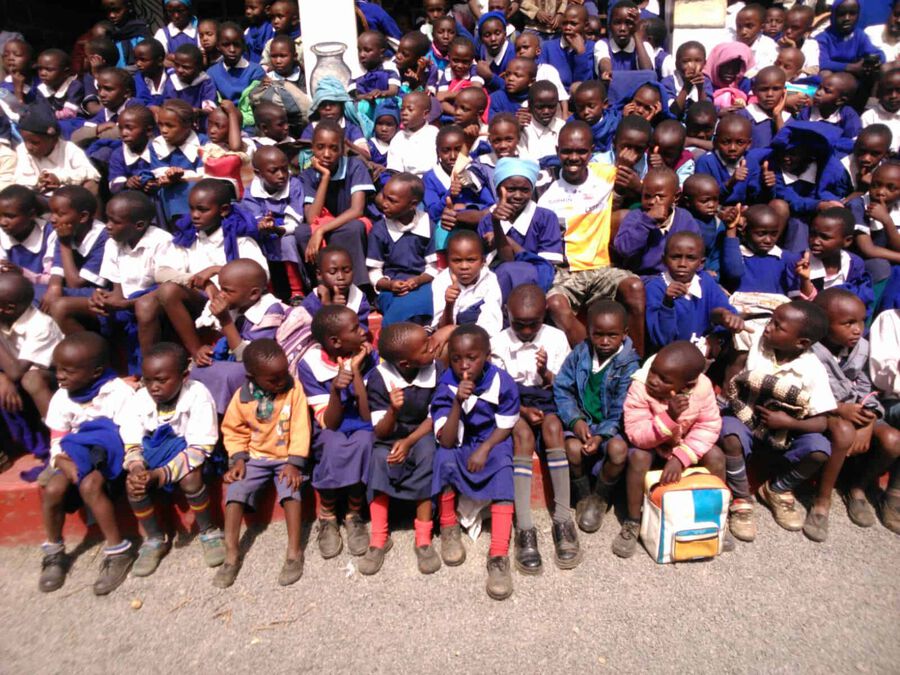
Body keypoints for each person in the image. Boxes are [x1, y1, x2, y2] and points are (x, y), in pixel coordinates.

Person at [719, 300, 838, 542]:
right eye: (771, 320)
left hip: (785, 432)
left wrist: (789, 423)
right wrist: (725, 316)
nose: (768, 327)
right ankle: (741, 497)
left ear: (801, 343)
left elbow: (822, 422)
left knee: (819, 449)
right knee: (729, 431)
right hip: (746, 418)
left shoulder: (813, 369)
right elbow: (722, 321)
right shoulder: (756, 340)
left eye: (778, 326)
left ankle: (777, 489)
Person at [491, 284, 580, 574]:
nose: (527, 331)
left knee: (553, 427)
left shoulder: (555, 338)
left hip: (547, 397)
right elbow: (498, 389)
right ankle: (525, 526)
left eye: (534, 323)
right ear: (508, 314)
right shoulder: (498, 342)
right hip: (512, 401)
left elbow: (564, 384)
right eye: (519, 324)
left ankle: (563, 519)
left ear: (545, 315)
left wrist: (545, 373)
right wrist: (521, 410)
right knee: (522, 434)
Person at [38, 332, 136, 595]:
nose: (60, 376)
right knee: (53, 489)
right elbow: (58, 439)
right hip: (74, 452)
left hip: (110, 454)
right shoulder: (62, 397)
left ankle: (118, 552)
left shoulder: (117, 393)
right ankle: (54, 551)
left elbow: (129, 434)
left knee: (90, 485)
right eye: (57, 369)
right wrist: (60, 461)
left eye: (68, 371)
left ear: (96, 372)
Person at [537, 121, 645, 351]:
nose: (573, 158)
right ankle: (593, 359)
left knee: (635, 287)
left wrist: (638, 185)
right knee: (555, 304)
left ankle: (635, 361)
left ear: (592, 151)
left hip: (602, 268)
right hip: (566, 272)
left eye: (581, 151)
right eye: (566, 151)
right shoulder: (544, 186)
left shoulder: (606, 175)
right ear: (557, 151)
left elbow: (654, 190)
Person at [431, 324, 519, 600]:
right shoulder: (446, 384)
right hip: (460, 440)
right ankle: (448, 527)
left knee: (503, 466)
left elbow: (506, 424)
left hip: (492, 439)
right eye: (456, 358)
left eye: (472, 358)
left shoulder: (502, 381)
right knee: (444, 458)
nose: (464, 365)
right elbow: (447, 440)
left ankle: (499, 554)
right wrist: (457, 402)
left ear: (487, 357)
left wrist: (485, 449)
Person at [615, 341, 727, 557]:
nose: (653, 380)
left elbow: (708, 426)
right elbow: (637, 434)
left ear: (687, 385)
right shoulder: (640, 387)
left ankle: (715, 517)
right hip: (652, 447)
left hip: (686, 449)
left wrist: (681, 457)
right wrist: (669, 417)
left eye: (664, 379)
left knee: (716, 456)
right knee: (638, 458)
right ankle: (633, 521)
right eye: (653, 371)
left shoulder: (703, 388)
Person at [120, 342, 224, 575]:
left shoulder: (197, 394)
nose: (153, 387)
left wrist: (161, 474)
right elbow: (132, 440)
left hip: (195, 456)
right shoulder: (139, 399)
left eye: (161, 380)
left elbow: (200, 447)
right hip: (155, 454)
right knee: (134, 483)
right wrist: (137, 467)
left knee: (190, 478)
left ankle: (209, 530)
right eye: (147, 380)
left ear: (184, 376)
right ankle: (155, 538)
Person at [215, 339, 311, 588]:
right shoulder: (242, 398)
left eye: (284, 373)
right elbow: (233, 430)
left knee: (290, 489)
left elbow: (301, 427)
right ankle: (231, 554)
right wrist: (238, 459)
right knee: (235, 491)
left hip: (286, 458)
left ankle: (294, 552)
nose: (281, 381)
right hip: (255, 457)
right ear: (252, 377)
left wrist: (294, 462)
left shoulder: (293, 390)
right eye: (273, 379)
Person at [808, 289, 900, 541]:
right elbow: (806, 391)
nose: (858, 329)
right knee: (844, 432)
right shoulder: (809, 349)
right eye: (848, 323)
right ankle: (822, 501)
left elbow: (867, 387)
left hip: (857, 409)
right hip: (823, 410)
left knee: (893, 440)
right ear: (823, 323)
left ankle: (857, 487)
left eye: (861, 321)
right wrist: (838, 408)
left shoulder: (862, 348)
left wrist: (869, 418)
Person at [51, 190, 171, 376]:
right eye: (107, 219)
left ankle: (147, 373)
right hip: (127, 301)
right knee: (61, 306)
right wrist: (102, 298)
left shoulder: (162, 241)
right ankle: (98, 368)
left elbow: (168, 289)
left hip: (153, 301)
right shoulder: (113, 242)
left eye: (115, 222)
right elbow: (117, 289)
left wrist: (127, 303)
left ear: (139, 225)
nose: (107, 226)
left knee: (144, 306)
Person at [361, 322, 441, 575]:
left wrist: (408, 442)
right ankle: (379, 536)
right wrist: (393, 410)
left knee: (428, 454)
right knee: (379, 458)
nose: (434, 346)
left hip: (422, 431)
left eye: (429, 341)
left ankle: (423, 537)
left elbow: (435, 417)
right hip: (390, 431)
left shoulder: (436, 369)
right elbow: (380, 431)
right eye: (425, 347)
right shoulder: (379, 378)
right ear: (406, 363)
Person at [553, 299, 639, 533]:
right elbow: (562, 388)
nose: (604, 341)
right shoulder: (580, 354)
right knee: (572, 448)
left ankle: (600, 497)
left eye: (612, 335)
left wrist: (602, 435)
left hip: (612, 427)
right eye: (598, 334)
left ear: (624, 333)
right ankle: (583, 495)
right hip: (583, 421)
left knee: (618, 450)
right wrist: (575, 420)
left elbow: (623, 407)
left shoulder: (628, 365)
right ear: (589, 331)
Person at [297, 305, 375, 560]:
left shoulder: (368, 356)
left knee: (365, 441)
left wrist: (355, 372)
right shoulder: (310, 365)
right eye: (355, 329)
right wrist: (334, 390)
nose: (363, 331)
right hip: (330, 423)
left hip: (361, 421)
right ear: (335, 341)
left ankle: (354, 513)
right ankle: (328, 514)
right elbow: (329, 423)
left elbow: (366, 416)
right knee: (332, 444)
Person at [191, 258, 288, 415]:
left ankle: (226, 417)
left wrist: (225, 320)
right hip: (236, 359)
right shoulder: (238, 304)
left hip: (261, 371)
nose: (221, 295)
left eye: (227, 291)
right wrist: (206, 351)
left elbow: (249, 358)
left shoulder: (270, 311)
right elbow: (222, 340)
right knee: (198, 370)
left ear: (254, 294)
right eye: (221, 289)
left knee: (227, 375)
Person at [298, 120, 375, 291]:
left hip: (347, 222)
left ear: (342, 149)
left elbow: (357, 210)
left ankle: (359, 288)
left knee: (354, 228)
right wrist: (325, 177)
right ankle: (319, 286)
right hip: (324, 224)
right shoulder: (307, 175)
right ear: (312, 148)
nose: (326, 154)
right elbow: (312, 218)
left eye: (333, 148)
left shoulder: (355, 166)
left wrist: (321, 231)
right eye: (320, 147)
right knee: (302, 232)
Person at [644, 231, 745, 354]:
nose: (682, 264)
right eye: (675, 257)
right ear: (664, 260)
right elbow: (662, 339)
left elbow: (723, 311)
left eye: (690, 258)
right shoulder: (655, 288)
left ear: (701, 263)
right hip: (671, 356)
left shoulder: (705, 281)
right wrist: (667, 303)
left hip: (704, 349)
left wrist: (726, 319)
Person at [0, 273, 60, 472]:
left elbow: (17, 372)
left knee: (31, 379)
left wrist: (8, 377)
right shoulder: (4, 318)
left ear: (8, 308)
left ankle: (60, 447)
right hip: (15, 380)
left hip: (53, 384)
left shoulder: (41, 325)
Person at [367, 173, 436, 327]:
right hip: (391, 288)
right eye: (383, 197)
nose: (384, 204)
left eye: (392, 201)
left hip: (422, 284)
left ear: (413, 204)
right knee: (399, 305)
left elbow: (433, 268)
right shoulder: (379, 230)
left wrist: (417, 281)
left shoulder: (427, 226)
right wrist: (389, 285)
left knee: (426, 300)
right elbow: (374, 272)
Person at [613, 167, 701, 277]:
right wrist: (647, 221)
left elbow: (695, 250)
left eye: (660, 197)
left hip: (678, 275)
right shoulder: (636, 217)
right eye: (647, 196)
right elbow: (624, 249)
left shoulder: (685, 219)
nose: (652, 202)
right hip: (644, 276)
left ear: (676, 197)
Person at [13, 104, 100, 196]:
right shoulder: (22, 149)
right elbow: (21, 179)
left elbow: (92, 173)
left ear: (54, 140)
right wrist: (38, 181)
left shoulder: (68, 148)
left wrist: (59, 178)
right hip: (40, 197)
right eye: (25, 141)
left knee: (91, 185)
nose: (28, 147)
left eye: (35, 142)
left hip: (68, 196)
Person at [430, 229, 503, 337]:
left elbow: (490, 324)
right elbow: (442, 329)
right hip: (450, 337)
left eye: (471, 260)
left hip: (480, 337)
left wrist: (459, 331)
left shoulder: (489, 280)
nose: (464, 267)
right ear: (448, 261)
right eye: (457, 260)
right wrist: (449, 304)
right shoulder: (441, 281)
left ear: (483, 261)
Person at [302, 246, 371, 330]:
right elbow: (310, 334)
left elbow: (359, 333)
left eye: (346, 270)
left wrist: (339, 311)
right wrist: (328, 308)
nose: (341, 277)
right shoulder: (310, 303)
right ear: (319, 275)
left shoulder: (359, 298)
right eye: (333, 272)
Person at [795, 73, 862, 156]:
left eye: (827, 91)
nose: (818, 93)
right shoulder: (807, 111)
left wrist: (827, 141)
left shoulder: (848, 115)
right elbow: (797, 133)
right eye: (819, 87)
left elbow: (854, 143)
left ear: (840, 100)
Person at [0, 185, 54, 286]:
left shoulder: (50, 234)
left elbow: (52, 280)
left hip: (42, 292)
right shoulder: (1, 234)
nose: (2, 222)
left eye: (10, 216)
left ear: (31, 215)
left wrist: (22, 273)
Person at [206, 22, 265, 106]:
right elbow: (212, 103)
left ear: (243, 46)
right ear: (218, 46)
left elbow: (257, 103)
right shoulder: (212, 73)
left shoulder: (255, 71)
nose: (232, 50)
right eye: (226, 45)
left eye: (237, 45)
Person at [387, 91, 439, 177]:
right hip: (407, 181)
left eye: (410, 109)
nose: (404, 113)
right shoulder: (399, 138)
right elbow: (395, 170)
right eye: (402, 109)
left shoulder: (434, 134)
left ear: (425, 114)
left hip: (432, 180)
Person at [661, 41, 713, 121]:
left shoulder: (705, 82)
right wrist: (686, 87)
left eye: (698, 60)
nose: (692, 66)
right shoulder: (668, 82)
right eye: (686, 61)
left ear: (704, 63)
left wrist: (700, 88)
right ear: (677, 64)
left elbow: (707, 113)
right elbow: (672, 113)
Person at [860, 68, 900, 154]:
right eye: (888, 91)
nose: (893, 96)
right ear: (879, 93)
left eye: (899, 91)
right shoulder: (869, 116)